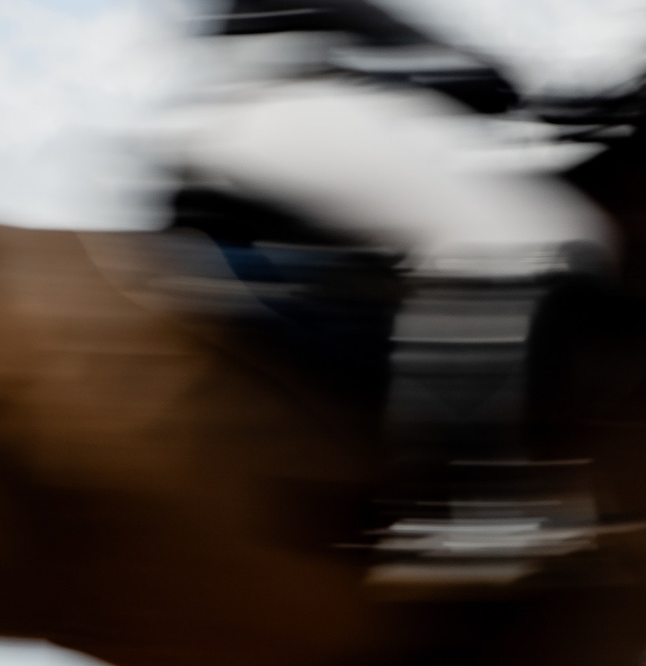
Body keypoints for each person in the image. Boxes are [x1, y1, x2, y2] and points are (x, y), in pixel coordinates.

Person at [154, 0, 618, 562]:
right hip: (282, 112)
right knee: (516, 234)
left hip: (254, 124)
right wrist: (516, 93)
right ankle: (463, 515)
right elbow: (454, 72)